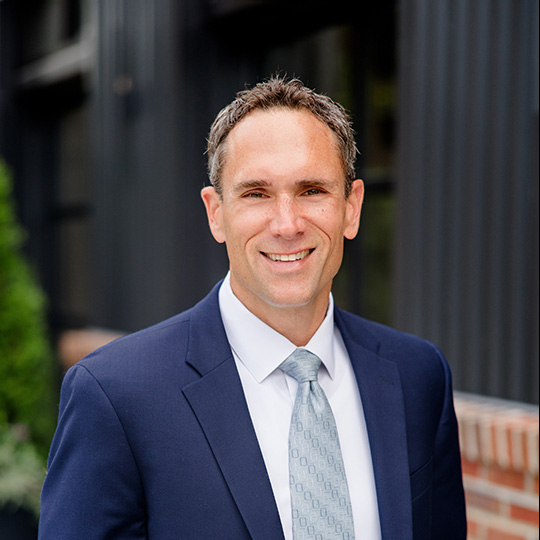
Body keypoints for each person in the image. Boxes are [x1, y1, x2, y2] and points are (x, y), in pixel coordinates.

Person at [38, 76, 467, 540]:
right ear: (216, 213)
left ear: (351, 207)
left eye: (312, 190)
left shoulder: (418, 375)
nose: (287, 224)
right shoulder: (115, 395)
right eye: (256, 194)